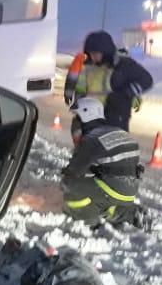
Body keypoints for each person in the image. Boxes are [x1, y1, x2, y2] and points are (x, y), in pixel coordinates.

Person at [61, 97, 150, 230]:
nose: (74, 122)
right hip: (129, 191)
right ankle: (129, 213)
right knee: (97, 188)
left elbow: (72, 174)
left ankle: (89, 220)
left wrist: (63, 183)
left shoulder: (90, 139)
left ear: (86, 115)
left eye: (77, 118)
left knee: (72, 188)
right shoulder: (118, 131)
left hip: (112, 189)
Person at [65, 30, 154, 131]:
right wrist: (77, 99)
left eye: (95, 54)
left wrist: (126, 93)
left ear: (105, 51)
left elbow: (147, 80)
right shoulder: (89, 66)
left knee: (112, 144)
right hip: (91, 116)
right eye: (91, 54)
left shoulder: (123, 64)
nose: (93, 57)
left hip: (115, 117)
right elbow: (82, 86)